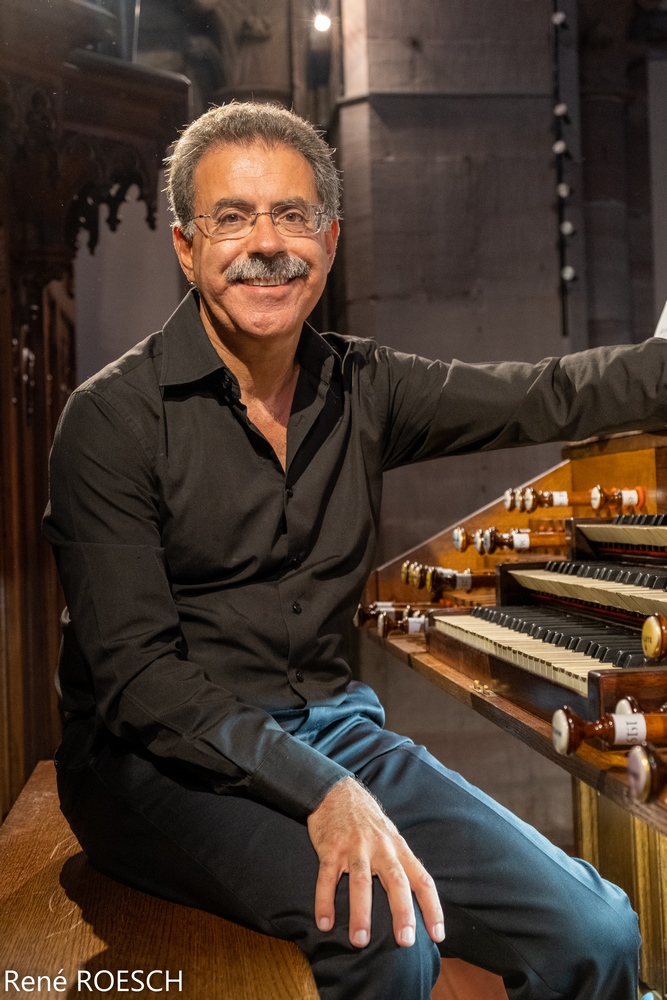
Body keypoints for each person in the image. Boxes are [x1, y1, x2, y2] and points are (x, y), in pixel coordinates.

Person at [44, 101, 667, 1000]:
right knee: (388, 941)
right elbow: (140, 681)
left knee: (597, 931)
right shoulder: (109, 419)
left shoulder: (363, 385)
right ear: (186, 245)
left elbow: (546, 394)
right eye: (233, 217)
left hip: (336, 736)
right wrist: (321, 792)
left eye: (293, 215)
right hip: (153, 765)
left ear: (329, 242)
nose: (267, 243)